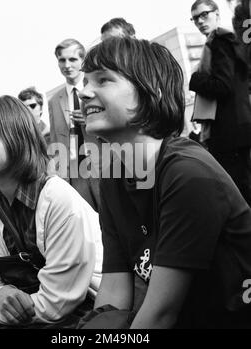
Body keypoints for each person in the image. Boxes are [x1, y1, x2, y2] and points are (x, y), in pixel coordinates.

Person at [78, 36, 251, 329]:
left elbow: (159, 316)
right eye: (85, 82)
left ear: (151, 94)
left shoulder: (188, 174)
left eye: (103, 80)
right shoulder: (113, 176)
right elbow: (114, 294)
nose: (83, 93)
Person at [0, 95, 102, 329]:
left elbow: (57, 305)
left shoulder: (57, 198)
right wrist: (1, 294)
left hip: (93, 316)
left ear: (19, 140)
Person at [189, 0, 251, 206]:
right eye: (195, 18)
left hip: (230, 132)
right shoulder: (227, 41)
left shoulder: (220, 41)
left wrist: (195, 80)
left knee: (239, 193)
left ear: (217, 14)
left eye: (204, 14)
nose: (200, 21)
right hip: (236, 129)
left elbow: (224, 86)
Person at [48, 38, 100, 212]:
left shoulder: (97, 89)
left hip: (104, 167)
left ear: (82, 61)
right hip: (74, 172)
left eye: (72, 59)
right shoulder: (54, 100)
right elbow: (55, 140)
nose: (67, 65)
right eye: (62, 60)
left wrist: (91, 121)